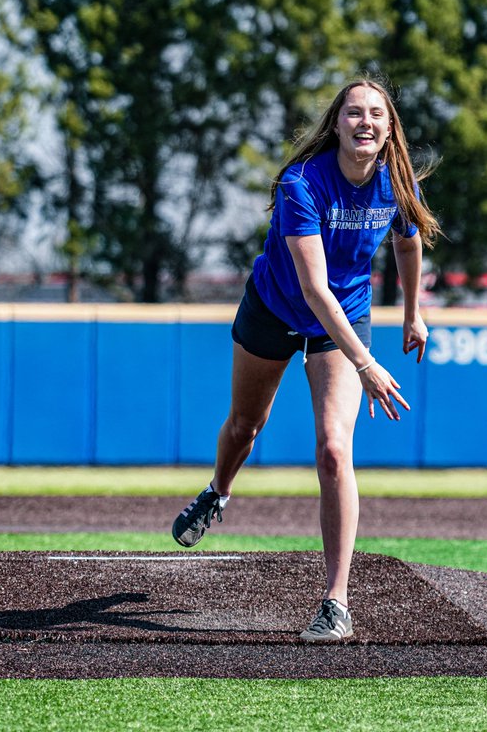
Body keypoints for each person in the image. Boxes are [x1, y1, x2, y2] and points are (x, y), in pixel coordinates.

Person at [170, 77, 440, 642]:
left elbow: (408, 241)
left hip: (342, 322)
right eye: (353, 113)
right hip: (276, 308)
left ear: (389, 128)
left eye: (376, 114)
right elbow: (314, 288)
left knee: (334, 449)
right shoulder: (302, 183)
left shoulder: (397, 182)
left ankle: (335, 602)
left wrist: (413, 312)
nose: (365, 122)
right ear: (336, 123)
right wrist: (367, 363)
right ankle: (219, 490)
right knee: (246, 426)